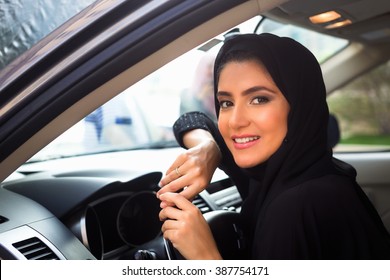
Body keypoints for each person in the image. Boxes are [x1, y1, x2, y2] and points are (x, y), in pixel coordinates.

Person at [157, 33, 390, 259]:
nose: (236, 121)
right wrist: (207, 151)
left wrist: (204, 256)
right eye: (226, 103)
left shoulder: (292, 208)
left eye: (259, 99)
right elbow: (190, 121)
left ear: (299, 106)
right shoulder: (305, 172)